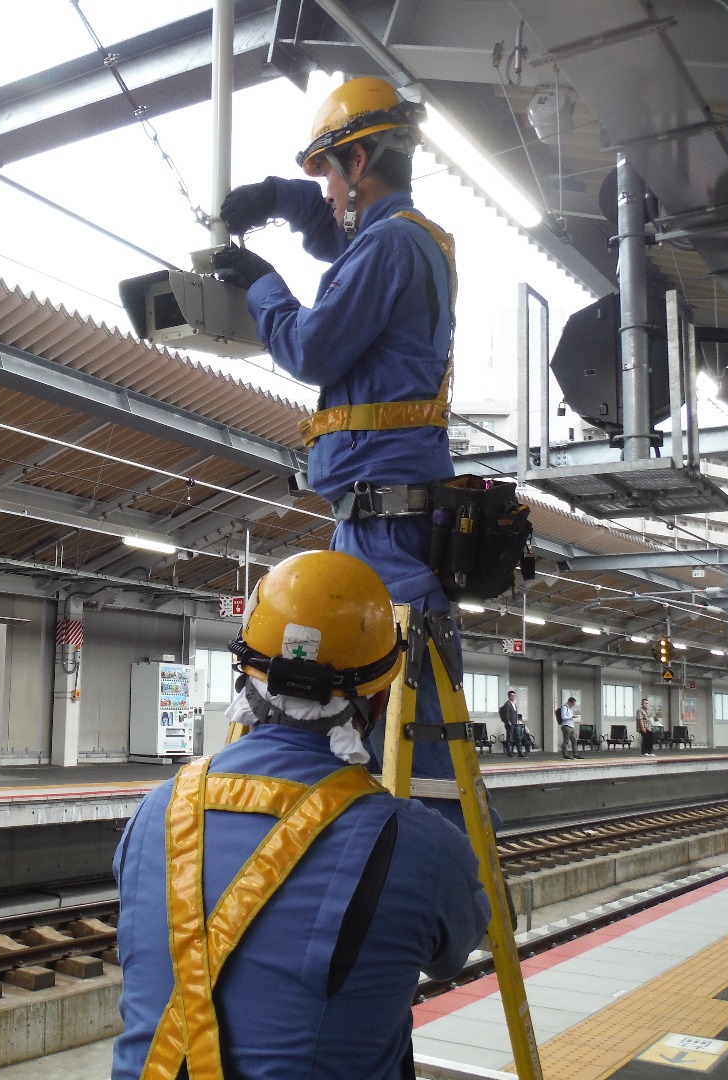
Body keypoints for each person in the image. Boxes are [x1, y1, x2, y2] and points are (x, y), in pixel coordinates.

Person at [112, 551, 489, 1080]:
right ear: (378, 704)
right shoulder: (418, 844)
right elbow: (455, 953)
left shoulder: (158, 810)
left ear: (246, 678)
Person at [214, 77, 462, 792]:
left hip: (388, 524)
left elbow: (312, 350)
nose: (321, 190)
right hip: (378, 511)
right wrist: (276, 195)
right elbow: (333, 234)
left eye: (325, 172)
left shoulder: (390, 247)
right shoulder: (399, 240)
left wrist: (262, 283)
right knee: (371, 706)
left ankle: (425, 864)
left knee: (398, 722)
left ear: (359, 163)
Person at [498, 689, 527, 757]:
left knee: (518, 737)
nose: (513, 697)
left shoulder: (514, 704)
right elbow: (506, 714)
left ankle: (519, 752)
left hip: (515, 723)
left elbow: (515, 714)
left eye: (514, 696)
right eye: (512, 696)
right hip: (510, 724)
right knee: (509, 738)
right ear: (509, 696)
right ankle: (509, 753)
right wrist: (508, 721)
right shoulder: (507, 704)